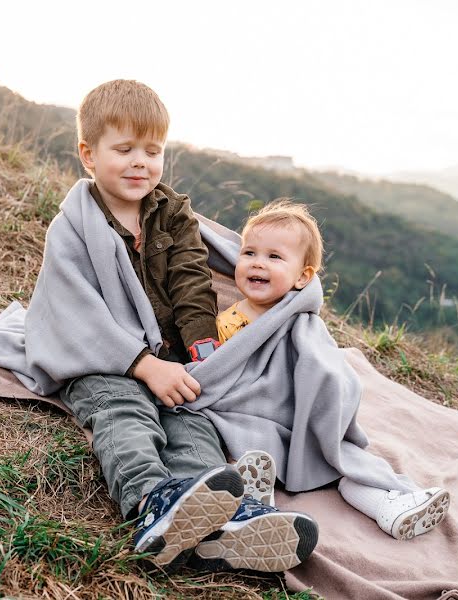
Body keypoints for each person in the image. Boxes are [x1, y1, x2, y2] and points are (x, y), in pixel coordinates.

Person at [58, 80, 318, 571]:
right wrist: (140, 365)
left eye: (152, 151)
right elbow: (72, 308)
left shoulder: (171, 214)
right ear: (88, 155)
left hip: (171, 352)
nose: (141, 162)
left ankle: (219, 524)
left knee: (192, 420)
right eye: (125, 149)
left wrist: (200, 346)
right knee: (125, 412)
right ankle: (153, 504)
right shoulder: (75, 223)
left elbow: (191, 283)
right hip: (106, 361)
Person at [216, 199, 451, 540]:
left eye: (274, 257)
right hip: (253, 414)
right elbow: (222, 370)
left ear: (302, 277)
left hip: (300, 415)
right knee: (248, 444)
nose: (258, 264)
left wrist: (327, 402)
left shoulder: (302, 322)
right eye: (249, 253)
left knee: (344, 462)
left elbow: (324, 368)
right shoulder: (230, 319)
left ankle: (389, 506)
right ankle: (256, 501)